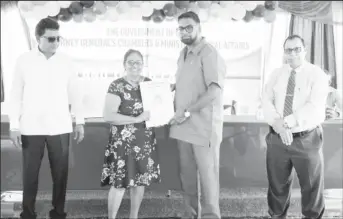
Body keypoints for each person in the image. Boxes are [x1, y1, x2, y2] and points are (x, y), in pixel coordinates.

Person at [9, 18, 85, 219]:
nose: (55, 43)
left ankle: (58, 212)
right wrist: (14, 126)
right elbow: (15, 94)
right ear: (37, 38)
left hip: (60, 126)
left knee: (60, 174)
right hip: (31, 127)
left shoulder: (66, 61)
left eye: (58, 38)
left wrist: (81, 121)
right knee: (30, 175)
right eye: (51, 39)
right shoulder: (23, 60)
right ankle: (28, 213)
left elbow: (75, 93)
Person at [262, 35, 329, 219]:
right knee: (277, 187)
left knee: (311, 187)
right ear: (284, 52)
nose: (292, 53)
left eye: (297, 49)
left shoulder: (317, 75)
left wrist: (286, 123)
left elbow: (313, 106)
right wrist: (277, 124)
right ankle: (276, 216)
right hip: (277, 139)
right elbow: (266, 101)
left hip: (306, 139)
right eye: (288, 50)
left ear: (305, 50)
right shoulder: (276, 74)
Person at [169, 11, 226, 219]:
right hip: (183, 127)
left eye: (188, 27)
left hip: (203, 129)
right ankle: (191, 215)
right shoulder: (182, 54)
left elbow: (214, 91)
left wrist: (186, 110)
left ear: (199, 28)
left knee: (208, 180)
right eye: (181, 28)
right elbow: (190, 84)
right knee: (188, 179)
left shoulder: (209, 53)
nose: (184, 31)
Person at [101, 49, 161, 219]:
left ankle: (133, 217)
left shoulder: (149, 84)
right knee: (119, 184)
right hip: (122, 142)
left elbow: (157, 110)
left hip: (144, 141)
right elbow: (108, 116)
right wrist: (137, 118)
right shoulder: (117, 85)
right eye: (130, 62)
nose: (134, 66)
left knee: (139, 182)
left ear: (143, 65)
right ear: (124, 65)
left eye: (138, 62)